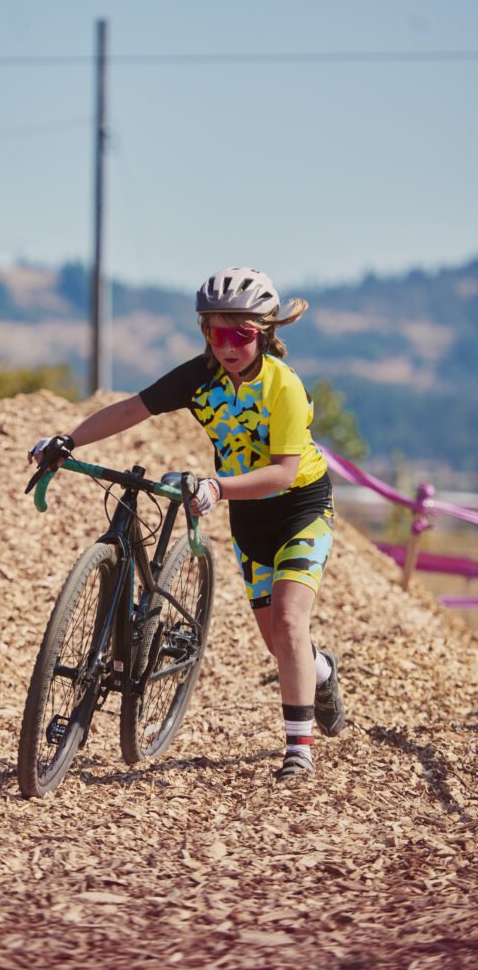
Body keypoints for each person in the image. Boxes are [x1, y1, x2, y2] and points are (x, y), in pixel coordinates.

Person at [28, 267, 345, 781]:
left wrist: (217, 487)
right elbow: (132, 409)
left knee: (290, 623)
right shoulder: (200, 376)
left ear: (264, 333)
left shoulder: (282, 385)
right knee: (279, 643)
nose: (227, 346)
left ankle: (298, 752)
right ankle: (321, 669)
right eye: (216, 333)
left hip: (300, 507)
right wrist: (68, 440)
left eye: (241, 335)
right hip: (249, 513)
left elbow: (284, 472)